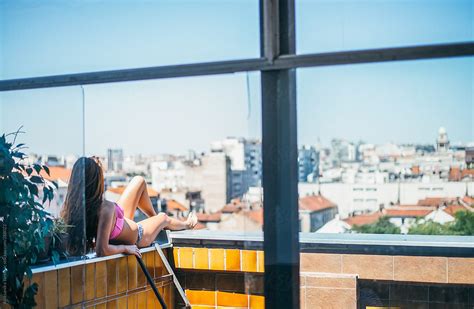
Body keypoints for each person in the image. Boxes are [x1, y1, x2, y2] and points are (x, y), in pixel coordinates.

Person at [61, 156, 197, 258]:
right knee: (164, 218)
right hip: (139, 235)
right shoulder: (105, 209)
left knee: (139, 181)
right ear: (97, 181)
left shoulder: (73, 207)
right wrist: (125, 248)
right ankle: (186, 224)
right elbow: (101, 250)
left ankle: (153, 221)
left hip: (120, 224)